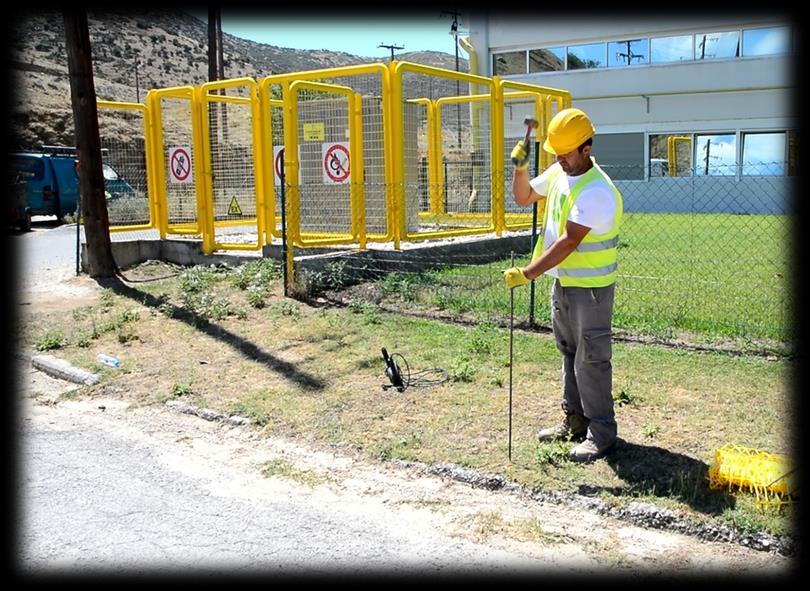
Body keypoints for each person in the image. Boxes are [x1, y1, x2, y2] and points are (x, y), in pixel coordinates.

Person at [503, 107, 623, 463]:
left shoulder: (597, 191)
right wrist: (521, 167)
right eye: (556, 154)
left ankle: (601, 435)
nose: (560, 160)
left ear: (586, 149)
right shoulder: (559, 171)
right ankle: (574, 421)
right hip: (565, 285)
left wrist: (528, 273)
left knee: (592, 360)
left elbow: (568, 242)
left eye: (566, 153)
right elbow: (524, 197)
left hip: (592, 292)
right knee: (570, 355)